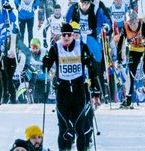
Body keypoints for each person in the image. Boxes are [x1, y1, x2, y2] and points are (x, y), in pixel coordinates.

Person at [42, 22, 101, 151]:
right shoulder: (56, 47)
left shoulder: (81, 46)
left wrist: (91, 65)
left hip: (78, 90)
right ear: (61, 36)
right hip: (63, 91)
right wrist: (45, 63)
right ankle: (65, 148)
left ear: (73, 35)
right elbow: (47, 62)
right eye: (64, 35)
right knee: (63, 127)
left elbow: (91, 66)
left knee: (79, 126)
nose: (67, 37)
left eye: (69, 34)